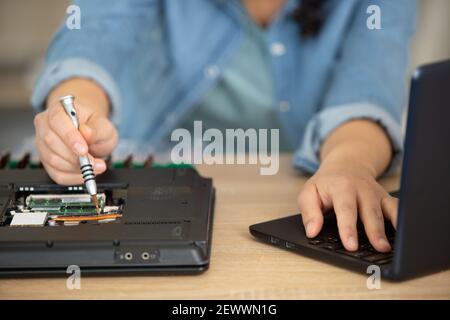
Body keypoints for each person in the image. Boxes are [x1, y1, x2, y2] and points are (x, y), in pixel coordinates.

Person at [31, 0, 417, 253]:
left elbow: (370, 83)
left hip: (291, 185)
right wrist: (76, 109)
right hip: (148, 166)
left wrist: (350, 164)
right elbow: (95, 35)